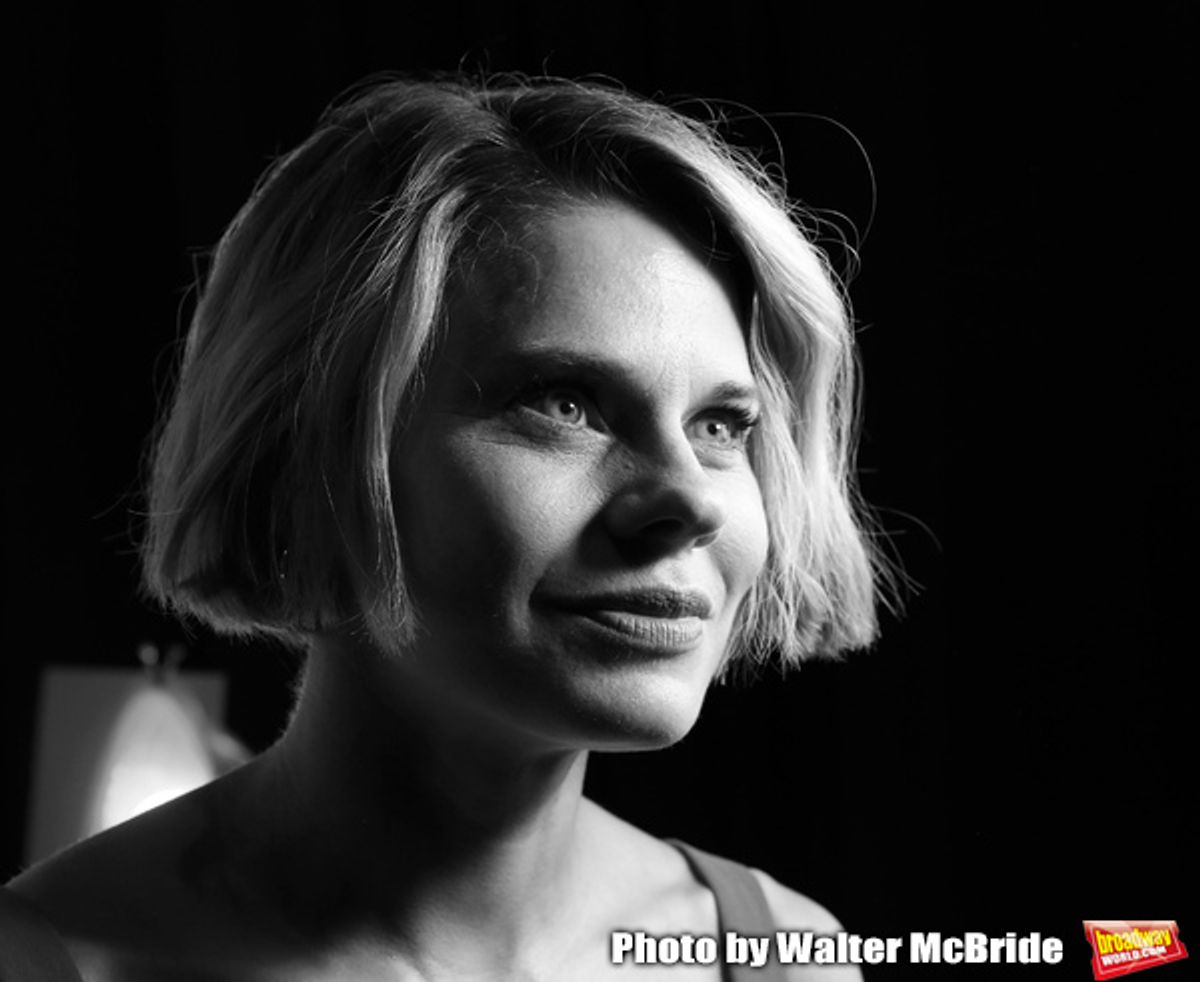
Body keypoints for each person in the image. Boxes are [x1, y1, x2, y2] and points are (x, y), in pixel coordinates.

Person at [4, 75, 880, 980]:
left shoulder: (787, 954)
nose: (692, 500)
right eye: (564, 403)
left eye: (722, 427)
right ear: (308, 454)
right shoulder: (50, 959)